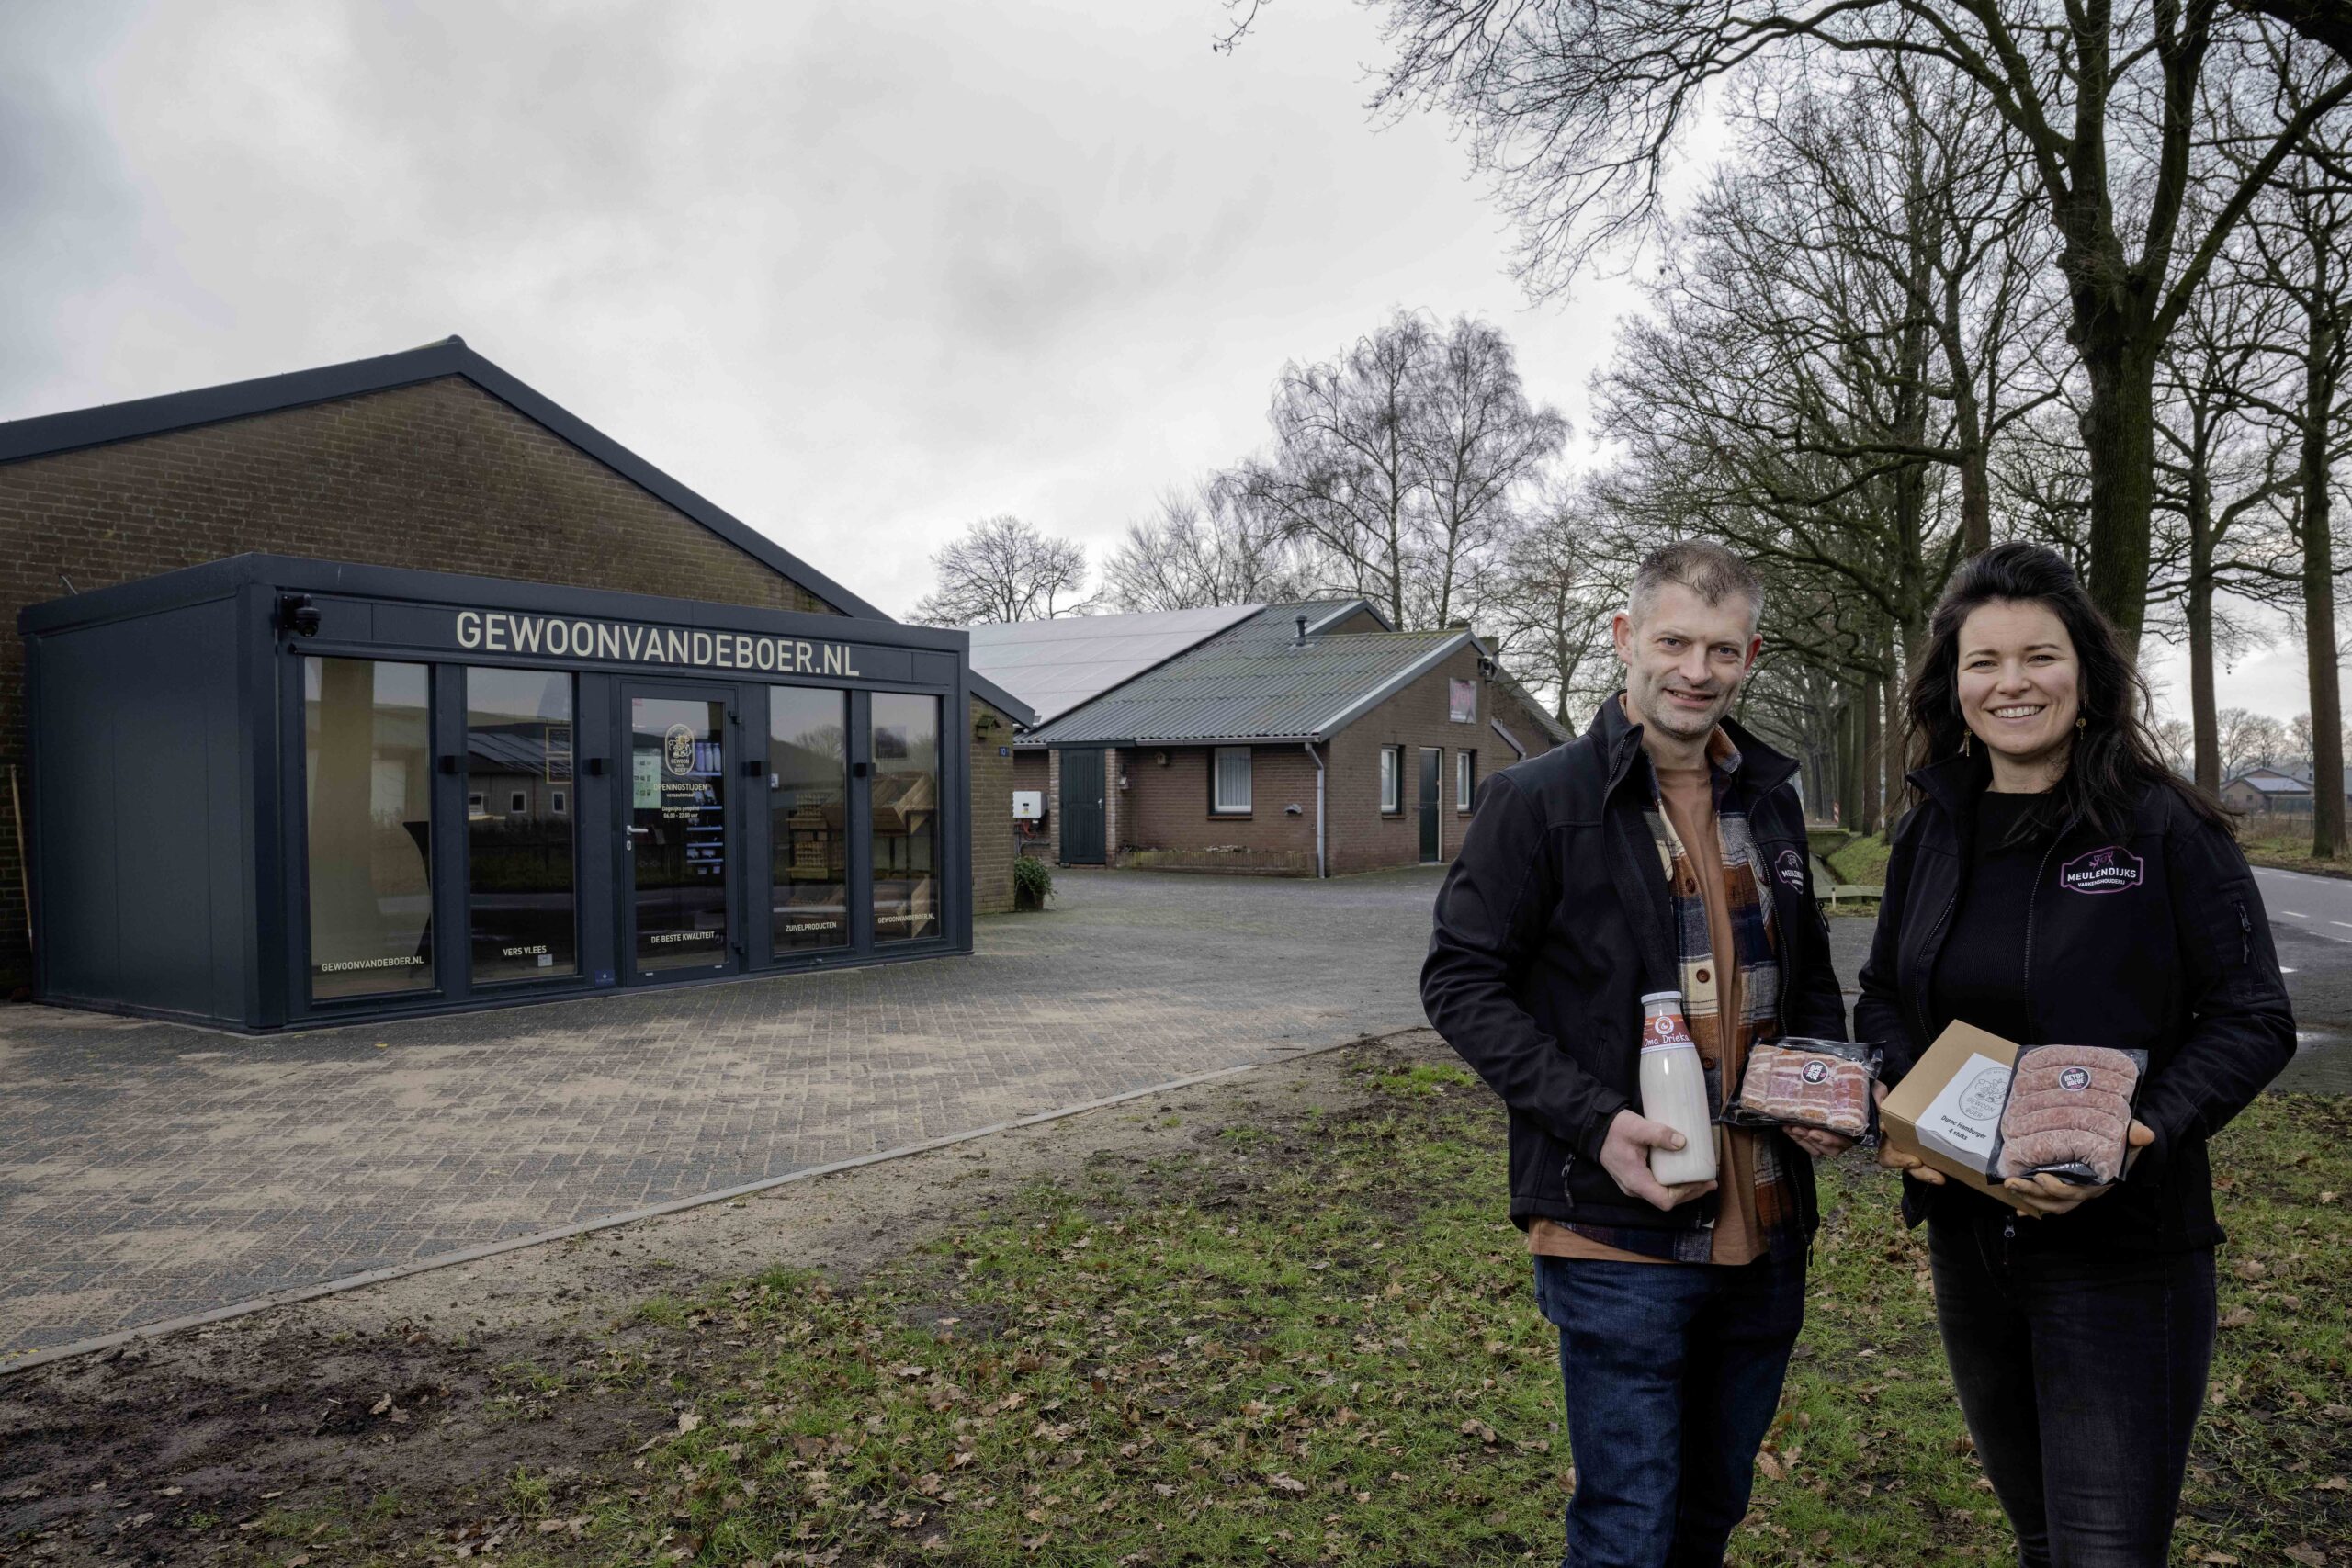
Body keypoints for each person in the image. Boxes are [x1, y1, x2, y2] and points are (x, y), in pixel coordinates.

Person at [1859, 543, 2294, 1568]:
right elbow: (1882, 995)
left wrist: (2138, 1134)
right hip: (1970, 1244)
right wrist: (1902, 1111)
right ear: (1950, 684)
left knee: (2106, 1551)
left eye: (2037, 656)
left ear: (2087, 674)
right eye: (1983, 662)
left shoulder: (2164, 826)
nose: (2010, 683)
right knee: (2045, 1540)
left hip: (2123, 1257)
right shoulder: (1931, 832)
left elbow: (2251, 1017)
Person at [1423, 540, 1850, 1568]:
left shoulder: (1771, 801)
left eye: (1721, 649)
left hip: (1768, 1226)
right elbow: (1458, 982)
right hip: (1617, 1231)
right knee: (1627, 1527)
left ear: (1750, 655)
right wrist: (1591, 1123)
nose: (1696, 671)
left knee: (1709, 1516)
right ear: (1626, 641)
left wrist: (1830, 1086)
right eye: (1673, 642)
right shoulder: (1540, 801)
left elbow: (1810, 984)